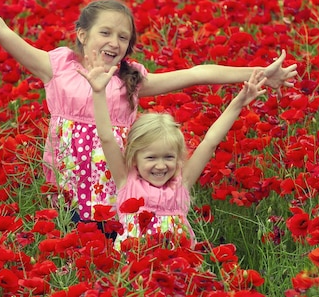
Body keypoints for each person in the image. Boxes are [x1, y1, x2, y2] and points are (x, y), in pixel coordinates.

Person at [0, 0, 298, 230]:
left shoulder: (132, 78)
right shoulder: (54, 66)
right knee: (73, 244)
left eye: (123, 37)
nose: (115, 41)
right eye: (105, 32)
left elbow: (197, 72)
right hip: (69, 185)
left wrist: (260, 72)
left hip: (118, 187)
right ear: (82, 35)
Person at [80, 52, 267, 249]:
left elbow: (210, 142)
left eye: (169, 157)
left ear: (178, 158)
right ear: (134, 158)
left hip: (177, 275)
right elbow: (106, 138)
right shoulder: (126, 182)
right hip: (135, 275)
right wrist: (99, 93)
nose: (161, 165)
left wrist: (238, 102)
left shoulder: (181, 183)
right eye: (151, 157)